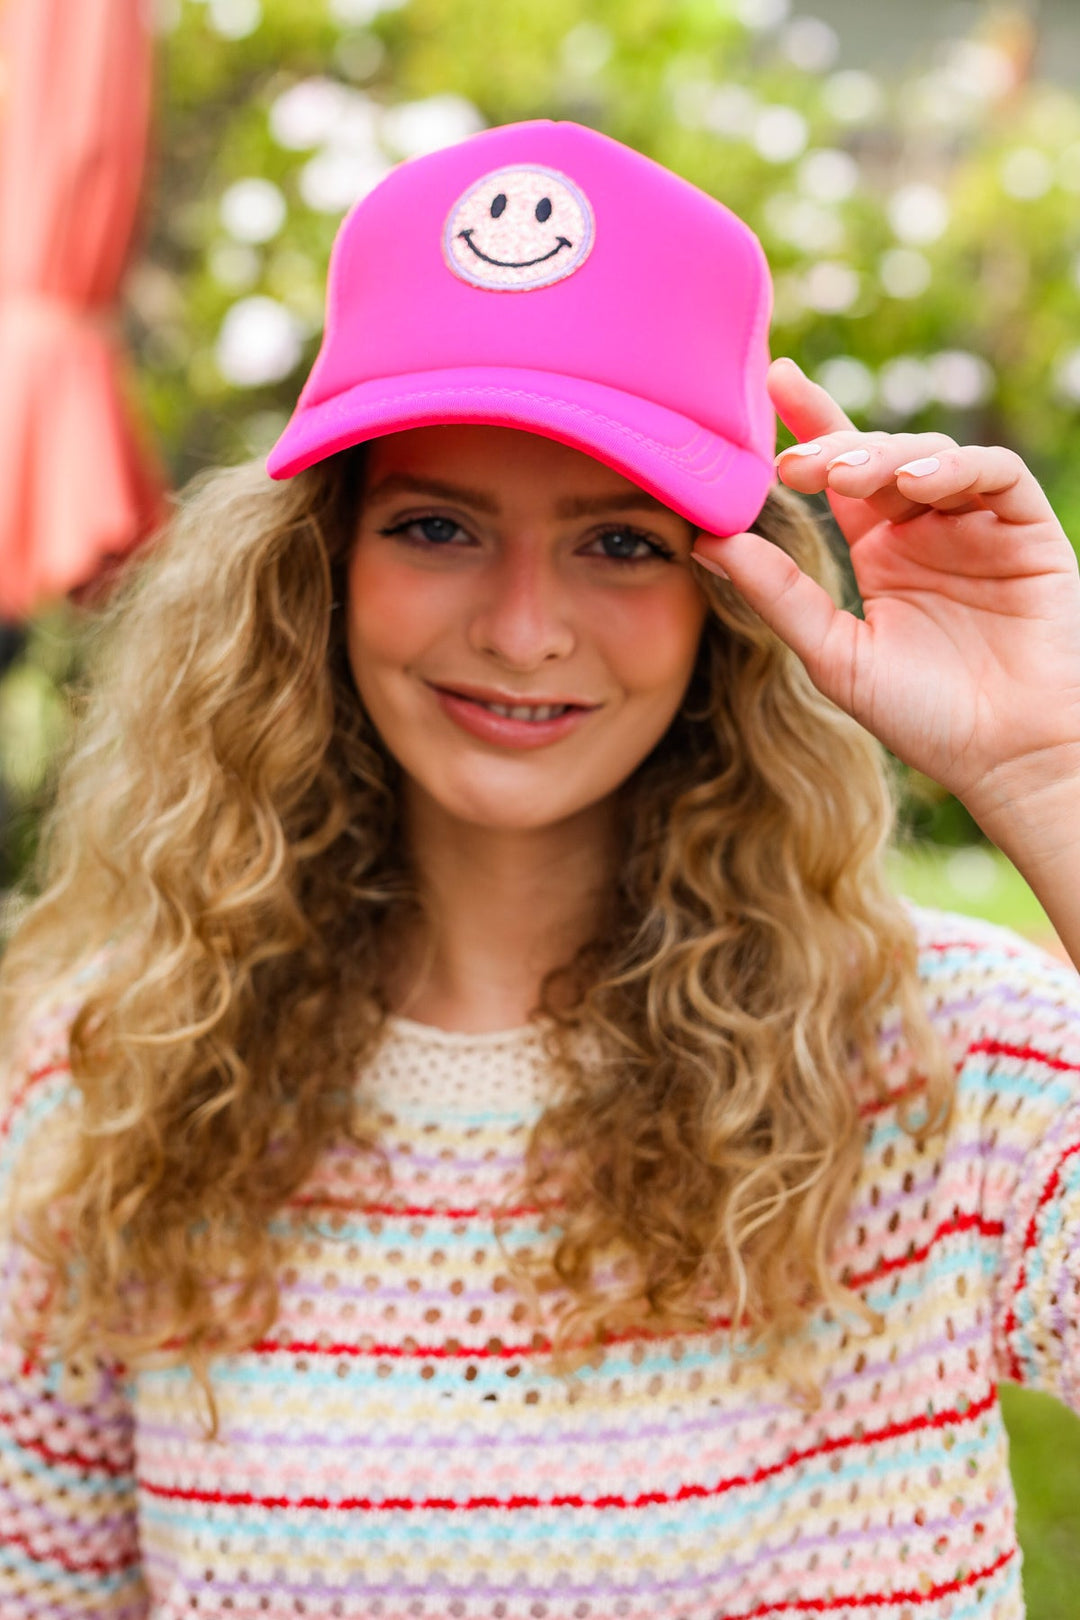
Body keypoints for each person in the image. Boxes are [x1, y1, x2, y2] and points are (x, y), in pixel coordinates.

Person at [1, 117, 1078, 1620]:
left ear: (729, 596)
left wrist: (1055, 775)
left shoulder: (946, 1056)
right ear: (325, 561)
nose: (520, 630)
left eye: (619, 544)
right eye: (438, 525)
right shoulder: (111, 1080)